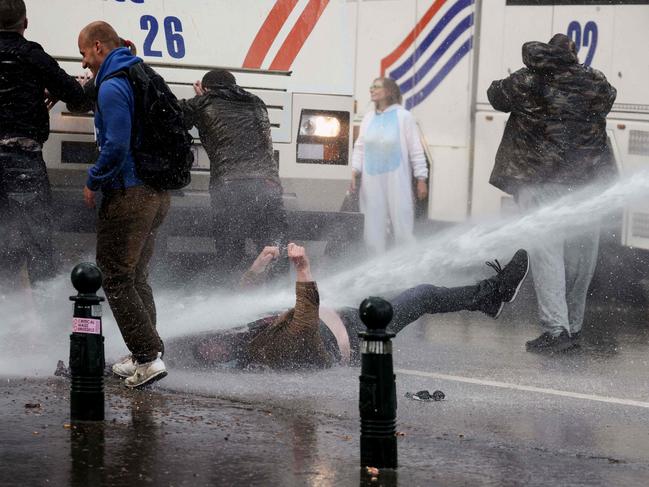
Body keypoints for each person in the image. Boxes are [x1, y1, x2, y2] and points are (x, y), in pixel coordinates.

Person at [165, 245, 530, 370]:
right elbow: (304, 325)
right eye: (208, 351)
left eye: (207, 340)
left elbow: (241, 304)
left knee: (417, 293)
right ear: (215, 361)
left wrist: (258, 266)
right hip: (359, 337)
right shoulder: (261, 352)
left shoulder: (242, 334)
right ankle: (491, 294)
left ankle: (486, 300)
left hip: (350, 316)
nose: (213, 344)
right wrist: (304, 271)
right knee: (422, 295)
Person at [487, 34, 617, 353]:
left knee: (548, 254)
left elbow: (495, 96)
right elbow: (609, 98)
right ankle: (572, 327)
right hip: (588, 181)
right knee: (580, 257)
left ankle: (555, 329)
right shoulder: (594, 79)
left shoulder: (529, 78)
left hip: (542, 178)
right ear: (573, 53)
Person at [78, 21, 170, 388]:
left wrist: (92, 179)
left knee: (114, 275)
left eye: (84, 54)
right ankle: (146, 353)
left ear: (98, 46)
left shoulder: (113, 85)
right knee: (134, 276)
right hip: (155, 194)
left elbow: (115, 145)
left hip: (130, 194)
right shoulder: (135, 73)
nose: (84, 63)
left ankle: (147, 358)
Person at [0, 0, 85, 292]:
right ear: (25, 23)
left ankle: (6, 316)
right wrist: (38, 95)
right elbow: (77, 96)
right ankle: (47, 320)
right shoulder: (33, 55)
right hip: (22, 160)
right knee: (38, 242)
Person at [178, 69, 289, 283]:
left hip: (232, 186)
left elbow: (170, 114)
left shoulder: (204, 103)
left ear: (207, 88)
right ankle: (279, 301)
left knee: (230, 250)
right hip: (268, 184)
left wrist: (201, 99)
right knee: (273, 247)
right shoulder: (256, 101)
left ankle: (232, 297)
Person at [350, 77, 428, 254]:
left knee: (402, 221)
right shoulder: (368, 118)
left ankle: (407, 261)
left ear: (389, 91)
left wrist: (421, 178)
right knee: (373, 225)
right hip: (372, 180)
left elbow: (416, 149)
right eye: (371, 86)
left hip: (396, 178)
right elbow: (360, 147)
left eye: (376, 87)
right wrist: (354, 171)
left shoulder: (404, 117)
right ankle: (374, 261)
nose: (371, 89)